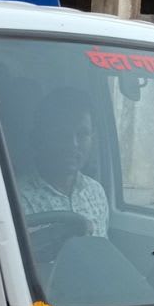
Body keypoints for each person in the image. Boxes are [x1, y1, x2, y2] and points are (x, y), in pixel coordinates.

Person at [18, 88, 108, 237]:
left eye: (82, 134)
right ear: (40, 137)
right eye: (61, 134)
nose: (73, 144)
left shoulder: (96, 192)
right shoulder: (18, 198)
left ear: (92, 137)